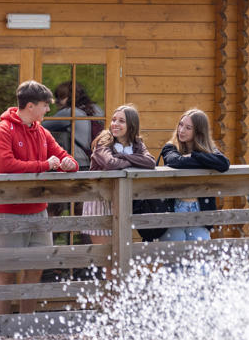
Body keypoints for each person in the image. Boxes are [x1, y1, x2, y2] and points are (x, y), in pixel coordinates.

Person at [0, 80, 79, 314]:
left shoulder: (42, 132)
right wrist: (45, 165)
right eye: (45, 105)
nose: (48, 110)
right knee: (7, 269)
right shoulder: (2, 130)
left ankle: (26, 322)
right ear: (31, 106)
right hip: (7, 211)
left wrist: (68, 163)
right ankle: (3, 326)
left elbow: (69, 160)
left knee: (36, 267)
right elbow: (6, 164)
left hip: (38, 211)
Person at [82, 105, 156, 263]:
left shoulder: (137, 144)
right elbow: (110, 163)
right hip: (99, 203)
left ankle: (116, 288)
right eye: (114, 120)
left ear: (131, 126)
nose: (115, 124)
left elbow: (150, 162)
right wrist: (133, 161)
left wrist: (123, 156)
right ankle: (108, 288)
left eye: (121, 121)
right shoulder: (103, 141)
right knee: (107, 260)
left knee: (120, 258)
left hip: (121, 203)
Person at [159, 109, 230, 241]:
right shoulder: (170, 147)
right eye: (180, 125)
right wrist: (204, 160)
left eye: (188, 128)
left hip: (200, 208)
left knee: (201, 260)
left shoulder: (210, 151)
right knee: (174, 259)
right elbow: (175, 161)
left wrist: (194, 155)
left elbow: (224, 163)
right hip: (174, 207)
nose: (181, 130)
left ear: (198, 131)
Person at [42, 81, 104, 171]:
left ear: (71, 97)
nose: (56, 101)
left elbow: (40, 125)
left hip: (77, 161)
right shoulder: (96, 109)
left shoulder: (69, 112)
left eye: (61, 97)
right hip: (96, 160)